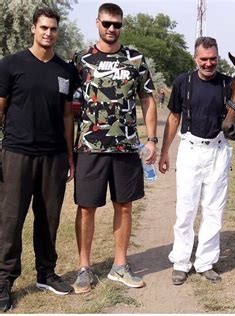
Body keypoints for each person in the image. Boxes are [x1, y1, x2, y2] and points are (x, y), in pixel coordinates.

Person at [71, 2, 157, 294]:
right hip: (89, 147)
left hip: (126, 148)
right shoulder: (81, 60)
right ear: (97, 23)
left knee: (124, 206)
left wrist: (152, 140)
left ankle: (120, 266)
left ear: (121, 26)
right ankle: (84, 268)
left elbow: (147, 99)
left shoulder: (135, 59)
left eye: (116, 24)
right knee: (86, 209)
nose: (111, 29)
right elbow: (68, 107)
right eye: (107, 23)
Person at [0, 7, 75, 310]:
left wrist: (70, 156)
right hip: (17, 153)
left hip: (54, 156)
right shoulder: (11, 65)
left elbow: (68, 115)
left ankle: (46, 273)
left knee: (49, 219)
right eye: (43, 27)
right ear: (33, 28)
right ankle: (4, 280)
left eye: (53, 28)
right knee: (10, 221)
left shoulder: (65, 70)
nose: (48, 33)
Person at [159, 36, 232, 285]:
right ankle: (181, 262)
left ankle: (205, 262)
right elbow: (173, 118)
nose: (208, 64)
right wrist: (164, 151)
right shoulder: (183, 82)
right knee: (186, 210)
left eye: (213, 59)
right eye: (204, 59)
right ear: (195, 59)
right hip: (190, 150)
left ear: (218, 58)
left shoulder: (228, 84)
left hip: (218, 151)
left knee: (214, 211)